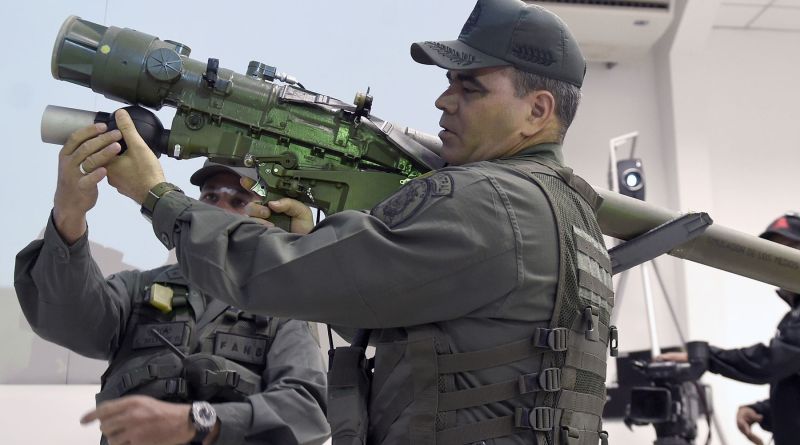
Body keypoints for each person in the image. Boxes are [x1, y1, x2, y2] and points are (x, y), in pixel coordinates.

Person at [86, 0, 615, 443]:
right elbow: (429, 321)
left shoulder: (485, 200)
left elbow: (278, 273)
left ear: (537, 111)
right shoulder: (573, 211)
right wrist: (321, 251)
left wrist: (157, 196)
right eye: (449, 82)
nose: (443, 100)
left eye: (470, 88)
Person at [13, 123, 330, 445]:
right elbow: (66, 320)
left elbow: (305, 413)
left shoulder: (283, 309)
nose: (218, 208)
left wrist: (201, 422)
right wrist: (69, 213)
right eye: (210, 196)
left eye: (238, 201)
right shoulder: (137, 291)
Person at [657, 213, 800, 445]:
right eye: (776, 252)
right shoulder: (792, 318)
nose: (782, 261)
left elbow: (772, 362)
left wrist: (707, 357)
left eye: (792, 248)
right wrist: (761, 411)